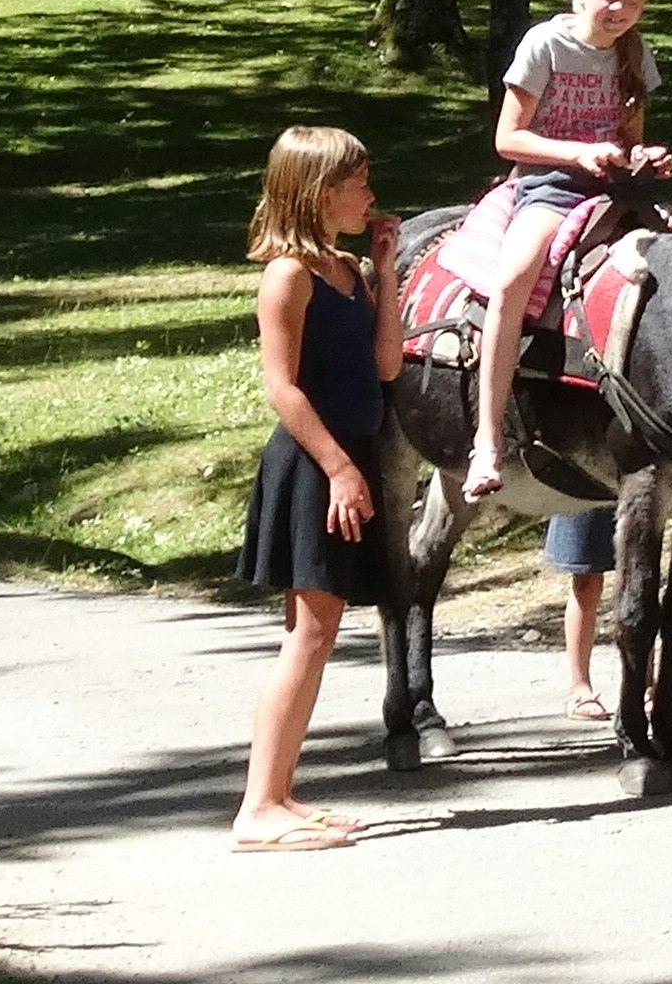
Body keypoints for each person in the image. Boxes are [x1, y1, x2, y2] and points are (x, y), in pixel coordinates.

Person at [233, 122, 404, 851]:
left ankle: (281, 794)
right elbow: (282, 389)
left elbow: (388, 367)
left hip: (348, 455)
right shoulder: (288, 276)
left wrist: (386, 272)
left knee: (317, 634)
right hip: (312, 464)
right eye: (358, 183)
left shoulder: (346, 272)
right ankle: (258, 808)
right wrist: (337, 468)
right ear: (319, 192)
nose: (370, 193)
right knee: (309, 635)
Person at [464, 0, 672, 503]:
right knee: (513, 279)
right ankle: (487, 436)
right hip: (549, 184)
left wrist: (644, 157)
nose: (620, 9)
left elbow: (630, 139)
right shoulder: (544, 46)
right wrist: (576, 153)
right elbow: (508, 139)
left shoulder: (634, 52)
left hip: (616, 187)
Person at [542, 508, 613, 717]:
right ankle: (580, 688)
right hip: (587, 487)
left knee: (639, 580)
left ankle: (645, 687)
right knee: (586, 581)